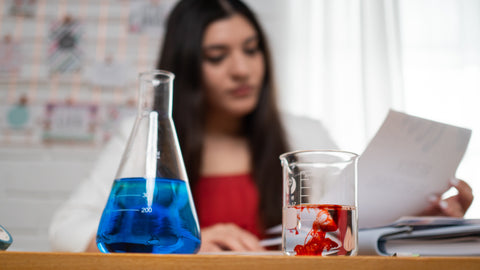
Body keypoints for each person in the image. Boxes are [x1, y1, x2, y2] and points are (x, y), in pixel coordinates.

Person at [49, 0, 474, 253]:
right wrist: (184, 240)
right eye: (218, 55)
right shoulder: (141, 138)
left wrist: (419, 221)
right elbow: (65, 226)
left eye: (251, 50)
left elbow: (342, 236)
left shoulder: (306, 136)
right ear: (187, 65)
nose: (242, 69)